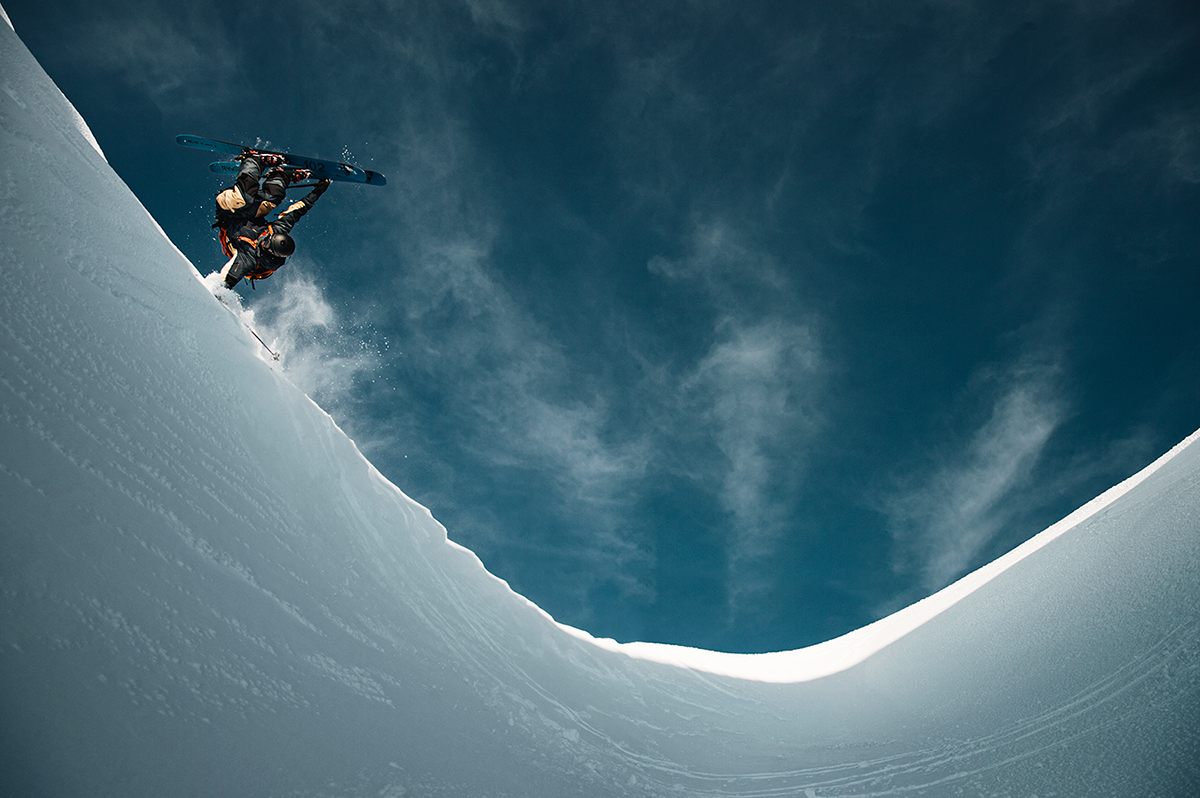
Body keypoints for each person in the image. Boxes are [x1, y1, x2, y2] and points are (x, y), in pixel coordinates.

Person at [213, 153, 330, 288]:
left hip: (228, 213)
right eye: (269, 239)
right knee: (271, 200)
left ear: (268, 252)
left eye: (266, 244)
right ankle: (280, 176)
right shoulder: (274, 233)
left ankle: (253, 159)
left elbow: (226, 279)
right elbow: (296, 211)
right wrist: (318, 191)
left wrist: (219, 292)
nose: (265, 240)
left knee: (244, 198)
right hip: (249, 215)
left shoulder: (249, 259)